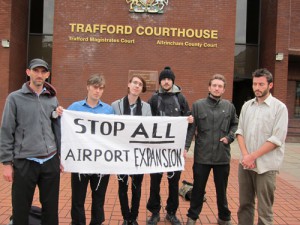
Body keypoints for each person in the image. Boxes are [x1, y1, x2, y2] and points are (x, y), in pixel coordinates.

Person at [0, 58, 61, 225]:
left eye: (43, 72)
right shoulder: (14, 98)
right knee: (20, 208)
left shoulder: (52, 98)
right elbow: (6, 131)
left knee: (51, 207)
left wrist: (59, 157)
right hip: (25, 161)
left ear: (47, 75)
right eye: (36, 71)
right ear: (28, 72)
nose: (39, 75)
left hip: (50, 160)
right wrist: (6, 163)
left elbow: (57, 129)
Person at [58, 74, 114, 225]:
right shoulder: (74, 108)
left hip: (101, 163)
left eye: (101, 88)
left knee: (98, 199)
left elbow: (115, 136)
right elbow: (64, 129)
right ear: (88, 87)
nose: (98, 91)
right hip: (80, 162)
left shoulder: (109, 110)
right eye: (95, 87)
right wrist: (59, 114)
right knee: (78, 199)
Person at [236, 68, 288, 225]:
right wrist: (246, 156)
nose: (257, 88)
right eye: (254, 84)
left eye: (261, 84)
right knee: (245, 205)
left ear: (270, 85)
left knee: (265, 211)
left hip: (266, 167)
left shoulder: (280, 108)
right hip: (245, 165)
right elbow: (240, 132)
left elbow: (276, 139)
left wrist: (253, 156)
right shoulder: (247, 106)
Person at [185, 74, 239, 225]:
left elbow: (236, 125)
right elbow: (191, 129)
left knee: (221, 190)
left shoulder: (229, 106)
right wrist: (186, 147)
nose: (217, 88)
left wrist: (230, 137)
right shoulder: (198, 105)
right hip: (202, 156)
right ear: (209, 87)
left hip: (222, 156)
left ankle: (224, 217)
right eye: (214, 85)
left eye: (220, 86)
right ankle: (192, 216)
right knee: (197, 189)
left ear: (223, 89)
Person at [146, 66, 192, 225]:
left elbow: (189, 122)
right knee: (154, 182)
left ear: (173, 81)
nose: (166, 81)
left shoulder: (181, 99)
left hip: (175, 150)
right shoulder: (153, 99)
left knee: (174, 183)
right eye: (163, 79)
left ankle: (171, 212)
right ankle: (154, 212)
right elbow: (144, 122)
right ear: (160, 82)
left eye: (169, 79)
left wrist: (185, 147)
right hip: (156, 150)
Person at [111, 75, 152, 225]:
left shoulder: (147, 108)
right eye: (134, 82)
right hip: (121, 154)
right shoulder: (115, 105)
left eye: (140, 84)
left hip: (138, 155)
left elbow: (150, 130)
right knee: (123, 186)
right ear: (129, 84)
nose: (137, 86)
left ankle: (133, 218)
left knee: (136, 187)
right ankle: (126, 217)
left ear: (142, 89)